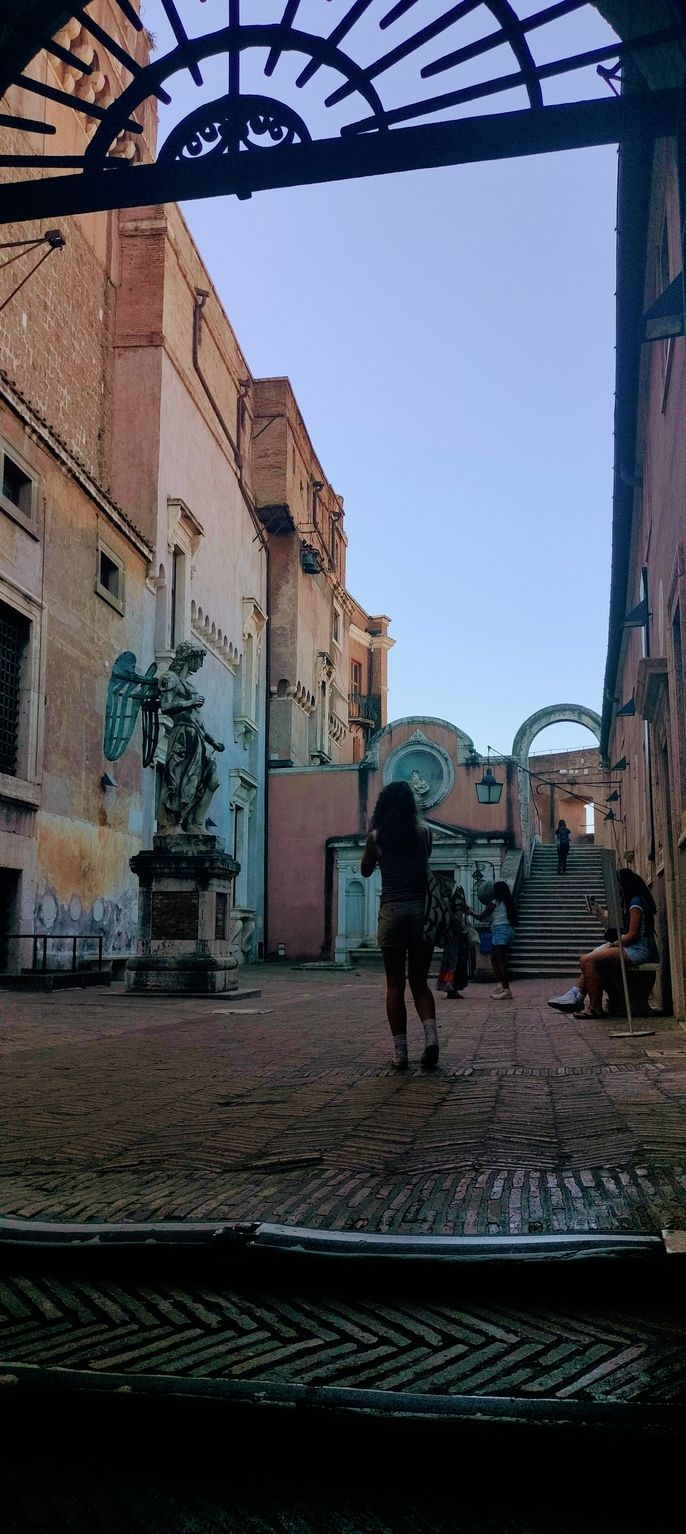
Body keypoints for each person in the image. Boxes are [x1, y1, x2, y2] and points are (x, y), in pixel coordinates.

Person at [361, 781, 438, 1070]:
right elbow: (423, 863)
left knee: (394, 984)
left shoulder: (378, 837)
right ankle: (431, 1040)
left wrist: (374, 849)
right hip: (421, 913)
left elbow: (365, 871)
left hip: (392, 912)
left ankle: (401, 1054)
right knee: (420, 982)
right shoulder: (424, 834)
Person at [572, 869, 658, 1020]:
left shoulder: (635, 904)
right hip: (633, 948)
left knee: (588, 960)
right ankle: (607, 1001)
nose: (617, 889)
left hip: (637, 950)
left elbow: (632, 935)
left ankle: (594, 1007)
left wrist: (613, 945)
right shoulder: (635, 902)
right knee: (592, 960)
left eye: (618, 885)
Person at [478, 879, 518, 999]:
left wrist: (470, 912)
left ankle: (506, 989)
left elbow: (481, 916)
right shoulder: (507, 902)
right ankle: (500, 985)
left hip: (500, 931)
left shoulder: (494, 902)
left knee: (499, 960)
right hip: (507, 930)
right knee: (495, 958)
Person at [437, 883, 470, 1000]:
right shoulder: (456, 902)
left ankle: (449, 987)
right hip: (456, 935)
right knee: (455, 962)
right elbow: (458, 919)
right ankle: (452, 988)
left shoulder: (445, 902)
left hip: (449, 934)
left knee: (449, 962)